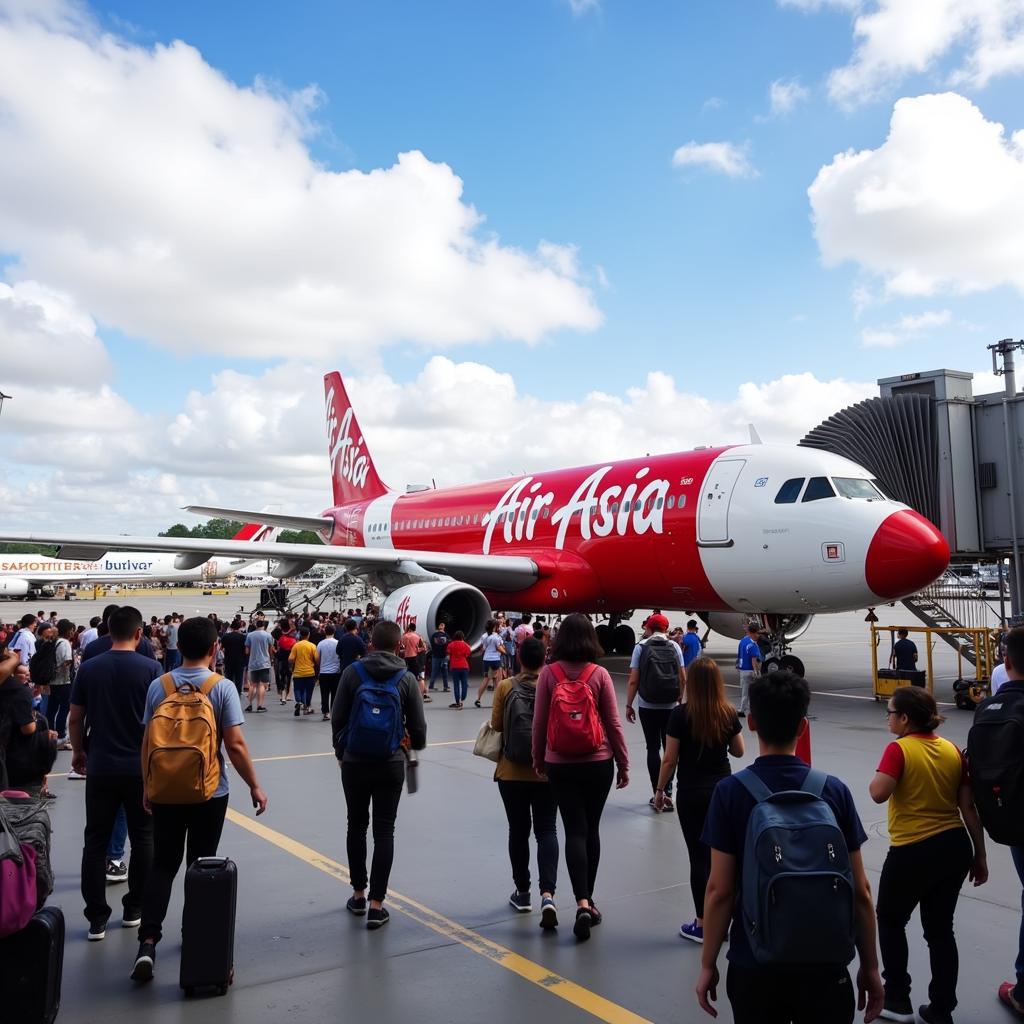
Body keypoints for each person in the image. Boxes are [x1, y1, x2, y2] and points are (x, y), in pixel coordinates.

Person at [697, 670, 884, 1024]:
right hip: (827, 965)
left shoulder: (730, 793)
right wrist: (871, 967)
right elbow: (860, 891)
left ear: (750, 722)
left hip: (755, 963)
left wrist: (708, 964)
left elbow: (720, 891)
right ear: (803, 726)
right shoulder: (834, 791)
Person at [131, 616, 267, 982]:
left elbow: (148, 741)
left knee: (163, 864)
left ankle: (147, 941)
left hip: (165, 790)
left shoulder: (159, 686)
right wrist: (254, 785)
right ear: (213, 649)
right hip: (210, 791)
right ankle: (195, 939)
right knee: (200, 865)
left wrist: (148, 785)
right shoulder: (220, 687)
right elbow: (234, 745)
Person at [869, 686, 987, 1024]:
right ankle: (941, 1009)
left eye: (890, 713)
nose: (888, 718)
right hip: (954, 846)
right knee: (940, 931)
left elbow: (878, 793)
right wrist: (980, 856)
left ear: (904, 718)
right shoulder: (951, 749)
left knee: (891, 920)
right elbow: (968, 808)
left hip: (913, 849)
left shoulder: (899, 749)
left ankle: (898, 999)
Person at [531, 613, 629, 942]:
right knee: (592, 831)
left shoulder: (549, 674)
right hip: (598, 761)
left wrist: (539, 759)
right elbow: (614, 724)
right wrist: (624, 763)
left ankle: (581, 902)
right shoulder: (598, 674)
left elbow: (540, 722)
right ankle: (590, 902)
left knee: (573, 829)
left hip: (560, 762)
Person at [68, 606, 161, 942]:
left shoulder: (90, 668)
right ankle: (134, 908)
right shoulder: (152, 669)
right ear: (139, 633)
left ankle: (96, 918)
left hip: (102, 767)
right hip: (139, 769)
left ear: (108, 631)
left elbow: (75, 718)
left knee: (94, 842)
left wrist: (79, 751)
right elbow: (158, 723)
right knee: (144, 839)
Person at [331, 619, 426, 930]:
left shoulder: (352, 673)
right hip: (390, 762)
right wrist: (413, 746)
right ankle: (377, 904)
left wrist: (341, 753)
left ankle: (358, 894)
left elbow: (339, 717)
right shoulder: (406, 678)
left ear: (370, 643)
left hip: (355, 760)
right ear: (399, 646)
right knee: (385, 830)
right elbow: (419, 728)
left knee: (355, 825)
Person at [654, 657, 744, 943]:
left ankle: (703, 923)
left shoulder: (680, 715)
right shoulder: (727, 713)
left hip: (692, 792)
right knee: (724, 858)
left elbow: (669, 759)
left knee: (698, 858)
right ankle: (726, 920)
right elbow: (739, 751)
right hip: (722, 791)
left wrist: (660, 790)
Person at [490, 636, 559, 926]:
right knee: (547, 831)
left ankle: (523, 891)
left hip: (512, 771)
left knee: (518, 831)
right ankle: (548, 895)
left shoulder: (506, 686)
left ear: (519, 658)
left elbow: (496, 725)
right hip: (548, 771)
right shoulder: (555, 684)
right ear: (546, 657)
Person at [625, 613, 686, 812]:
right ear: (666, 629)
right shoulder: (675, 646)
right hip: (670, 705)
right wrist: (679, 697)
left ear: (649, 628)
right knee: (671, 750)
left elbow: (634, 680)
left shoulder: (640, 647)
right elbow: (682, 677)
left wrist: (628, 704)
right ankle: (667, 791)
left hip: (647, 705)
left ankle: (656, 793)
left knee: (652, 748)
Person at [50, 618, 75, 748]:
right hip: (63, 681)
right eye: (71, 630)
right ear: (66, 630)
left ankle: (50, 732)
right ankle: (60, 734)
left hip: (53, 681)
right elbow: (66, 661)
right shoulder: (64, 643)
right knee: (64, 708)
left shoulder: (54, 642)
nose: (72, 633)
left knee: (52, 708)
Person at [244, 618, 274, 713]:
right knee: (262, 685)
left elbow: (247, 651)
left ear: (256, 625)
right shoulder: (268, 635)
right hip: (264, 662)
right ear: (264, 625)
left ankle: (249, 705)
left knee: (253, 685)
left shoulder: (250, 635)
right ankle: (259, 706)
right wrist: (270, 658)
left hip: (253, 663)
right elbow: (270, 649)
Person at [474, 619, 506, 708]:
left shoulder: (484, 636)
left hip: (486, 659)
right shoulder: (497, 637)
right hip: (495, 659)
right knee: (497, 682)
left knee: (486, 680)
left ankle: (478, 699)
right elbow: (500, 647)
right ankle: (496, 702)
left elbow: (483, 648)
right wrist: (504, 651)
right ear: (495, 627)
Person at [289, 626, 319, 717]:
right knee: (308, 691)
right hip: (310, 672)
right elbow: (317, 659)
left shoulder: (296, 645)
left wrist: (293, 664)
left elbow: (290, 659)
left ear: (300, 635)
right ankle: (306, 706)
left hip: (298, 673)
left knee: (298, 689)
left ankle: (299, 702)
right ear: (308, 635)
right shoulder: (312, 646)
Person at [736, 622, 762, 717]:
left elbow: (739, 655)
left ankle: (742, 709)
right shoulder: (752, 644)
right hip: (750, 671)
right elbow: (754, 659)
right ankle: (753, 710)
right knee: (753, 692)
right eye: (758, 633)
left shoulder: (743, 641)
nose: (758, 635)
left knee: (744, 692)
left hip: (742, 670)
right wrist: (756, 671)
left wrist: (738, 666)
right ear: (754, 633)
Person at [316, 624, 341, 721]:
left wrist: (321, 664)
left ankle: (326, 713)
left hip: (324, 672)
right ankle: (333, 711)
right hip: (336, 672)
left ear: (324, 632)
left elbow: (317, 658)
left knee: (324, 694)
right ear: (334, 632)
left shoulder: (321, 643)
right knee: (335, 693)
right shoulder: (338, 643)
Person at [219, 618, 248, 696]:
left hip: (228, 659)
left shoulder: (226, 636)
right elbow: (246, 650)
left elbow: (220, 648)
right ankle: (238, 692)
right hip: (240, 660)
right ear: (239, 627)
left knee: (229, 676)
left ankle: (229, 692)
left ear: (231, 627)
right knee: (239, 677)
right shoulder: (243, 637)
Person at [447, 630, 472, 709]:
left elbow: (448, 655)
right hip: (464, 666)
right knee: (464, 683)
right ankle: (463, 697)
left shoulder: (450, 645)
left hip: (454, 666)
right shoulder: (465, 645)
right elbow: (468, 653)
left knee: (456, 684)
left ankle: (457, 701)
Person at [428, 621, 450, 693]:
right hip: (444, 656)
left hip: (435, 656)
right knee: (444, 672)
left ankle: (431, 686)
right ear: (444, 627)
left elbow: (431, 644)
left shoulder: (434, 635)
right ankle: (445, 687)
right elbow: (448, 645)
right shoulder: (446, 635)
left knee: (434, 672)